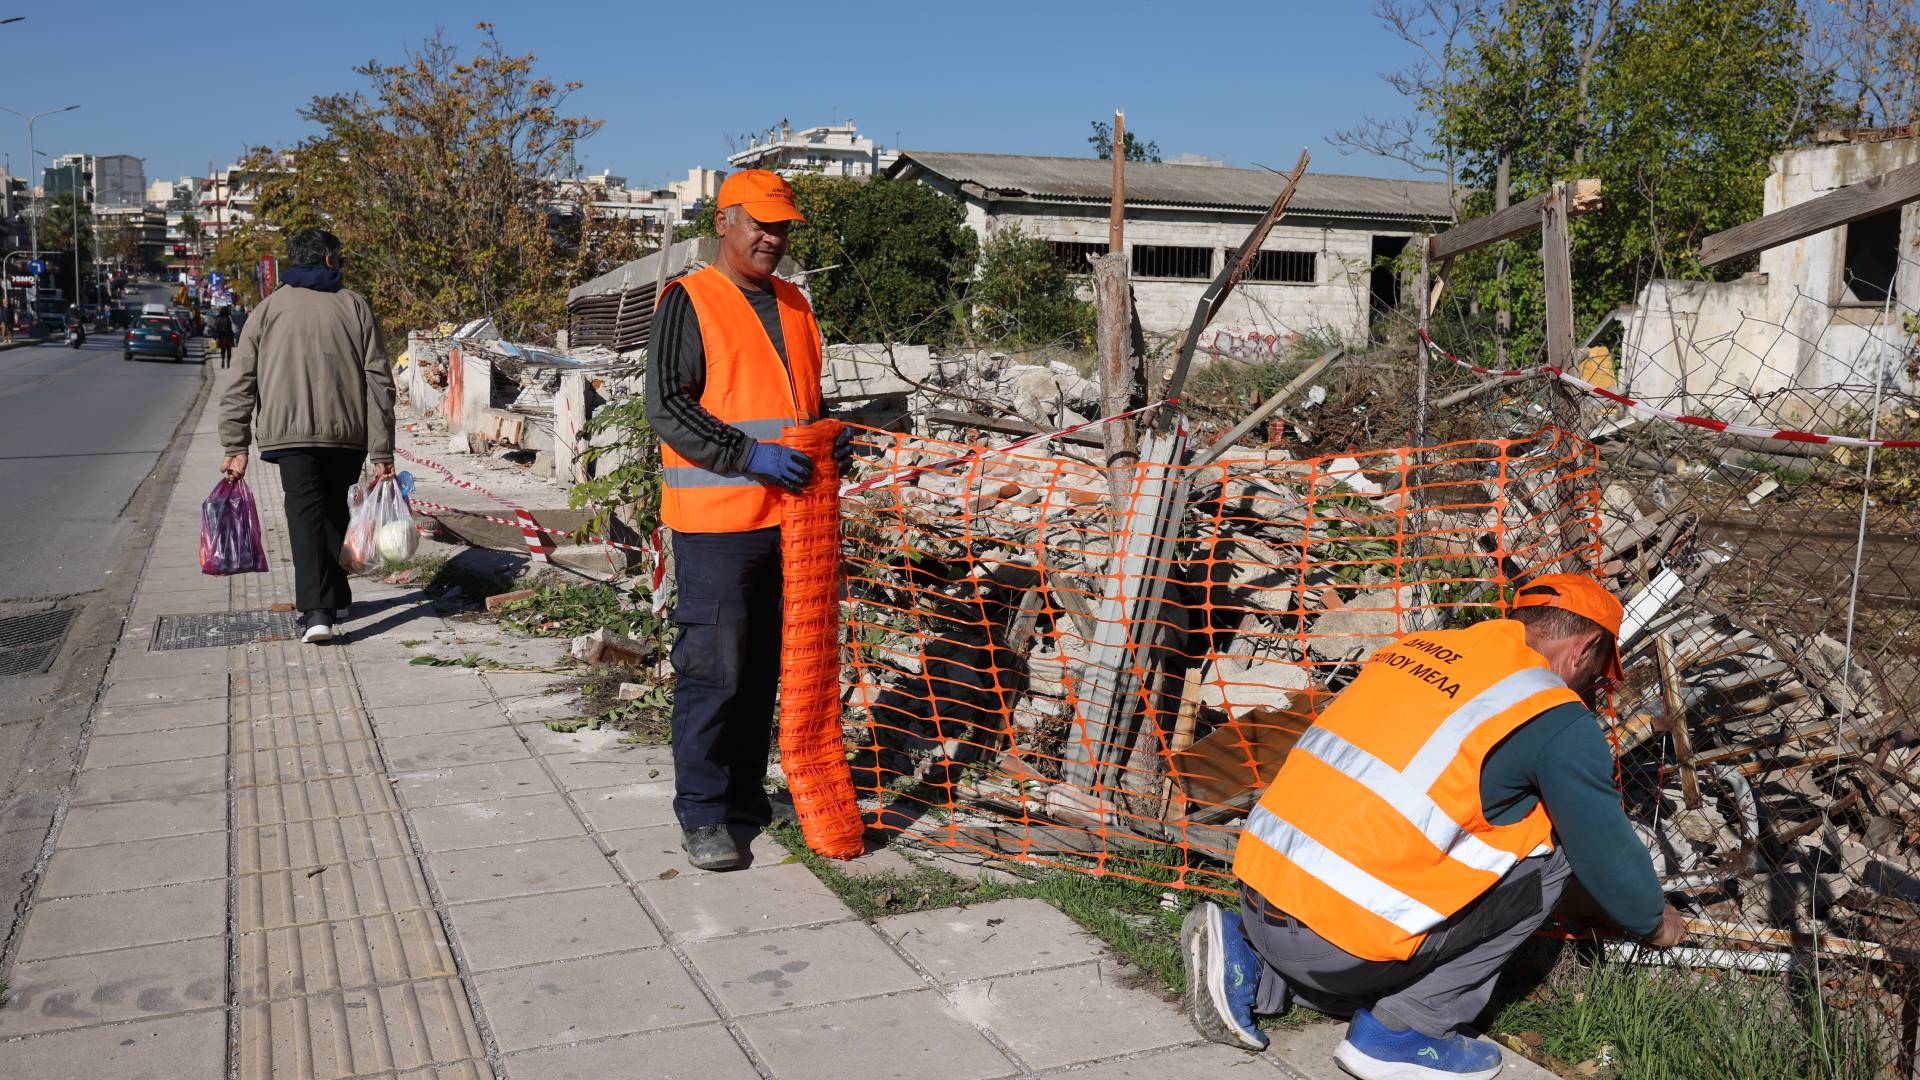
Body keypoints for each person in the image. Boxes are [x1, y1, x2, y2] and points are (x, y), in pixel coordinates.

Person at [1182, 574, 1685, 1080]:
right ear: (1587, 648)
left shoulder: (1417, 650)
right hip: (1337, 942)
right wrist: (1653, 922)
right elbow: (1603, 849)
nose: (1591, 689)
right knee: (1553, 848)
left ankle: (1247, 957)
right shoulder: (1555, 716)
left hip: (1260, 895)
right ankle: (1406, 1031)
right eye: (1598, 674)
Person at [643, 169, 853, 870]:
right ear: (724, 222)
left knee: (764, 667)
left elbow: (803, 404)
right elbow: (668, 406)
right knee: (714, 669)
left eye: (782, 227)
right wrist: (747, 454)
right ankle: (702, 811)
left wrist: (827, 438)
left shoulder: (795, 303)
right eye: (761, 224)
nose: (773, 238)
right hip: (717, 522)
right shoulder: (691, 299)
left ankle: (744, 798)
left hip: (790, 520)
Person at [219, 229, 396, 644]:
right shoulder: (354, 305)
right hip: (347, 432)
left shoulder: (267, 309)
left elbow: (241, 381)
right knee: (333, 509)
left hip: (288, 434)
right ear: (329, 260)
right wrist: (382, 449)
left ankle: (317, 611)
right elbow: (379, 381)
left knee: (305, 514)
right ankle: (335, 598)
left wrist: (235, 444)